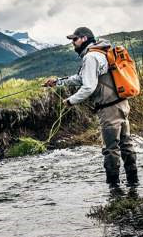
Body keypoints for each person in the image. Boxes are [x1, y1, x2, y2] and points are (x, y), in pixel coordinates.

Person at [44, 27, 138, 187]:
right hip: (122, 104)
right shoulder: (101, 53)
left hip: (109, 109)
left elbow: (88, 87)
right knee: (126, 144)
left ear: (84, 38)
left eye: (75, 39)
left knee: (111, 149)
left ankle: (114, 187)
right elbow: (82, 78)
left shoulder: (91, 57)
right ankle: (133, 181)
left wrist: (70, 101)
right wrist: (58, 82)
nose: (72, 43)